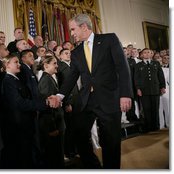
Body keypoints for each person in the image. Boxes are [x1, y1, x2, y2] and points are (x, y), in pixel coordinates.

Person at [49, 14, 133, 169]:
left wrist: (125, 94)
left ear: (84, 27)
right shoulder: (76, 52)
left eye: (73, 29)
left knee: (110, 141)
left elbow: (123, 67)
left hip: (109, 97)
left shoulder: (109, 40)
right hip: (87, 100)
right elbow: (71, 77)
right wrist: (60, 95)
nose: (72, 33)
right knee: (78, 134)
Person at [37, 55, 65, 168]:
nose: (57, 66)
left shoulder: (49, 78)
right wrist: (52, 128)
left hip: (57, 123)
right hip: (53, 126)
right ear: (46, 65)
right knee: (54, 158)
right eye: (54, 63)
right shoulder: (46, 80)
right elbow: (48, 106)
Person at [134, 48, 166, 132]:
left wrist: (163, 87)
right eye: (145, 52)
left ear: (151, 54)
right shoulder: (138, 65)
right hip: (144, 91)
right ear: (141, 55)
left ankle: (156, 127)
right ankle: (149, 128)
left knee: (155, 109)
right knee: (146, 110)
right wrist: (138, 88)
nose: (147, 54)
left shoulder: (156, 63)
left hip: (155, 90)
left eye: (148, 52)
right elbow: (136, 78)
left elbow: (160, 76)